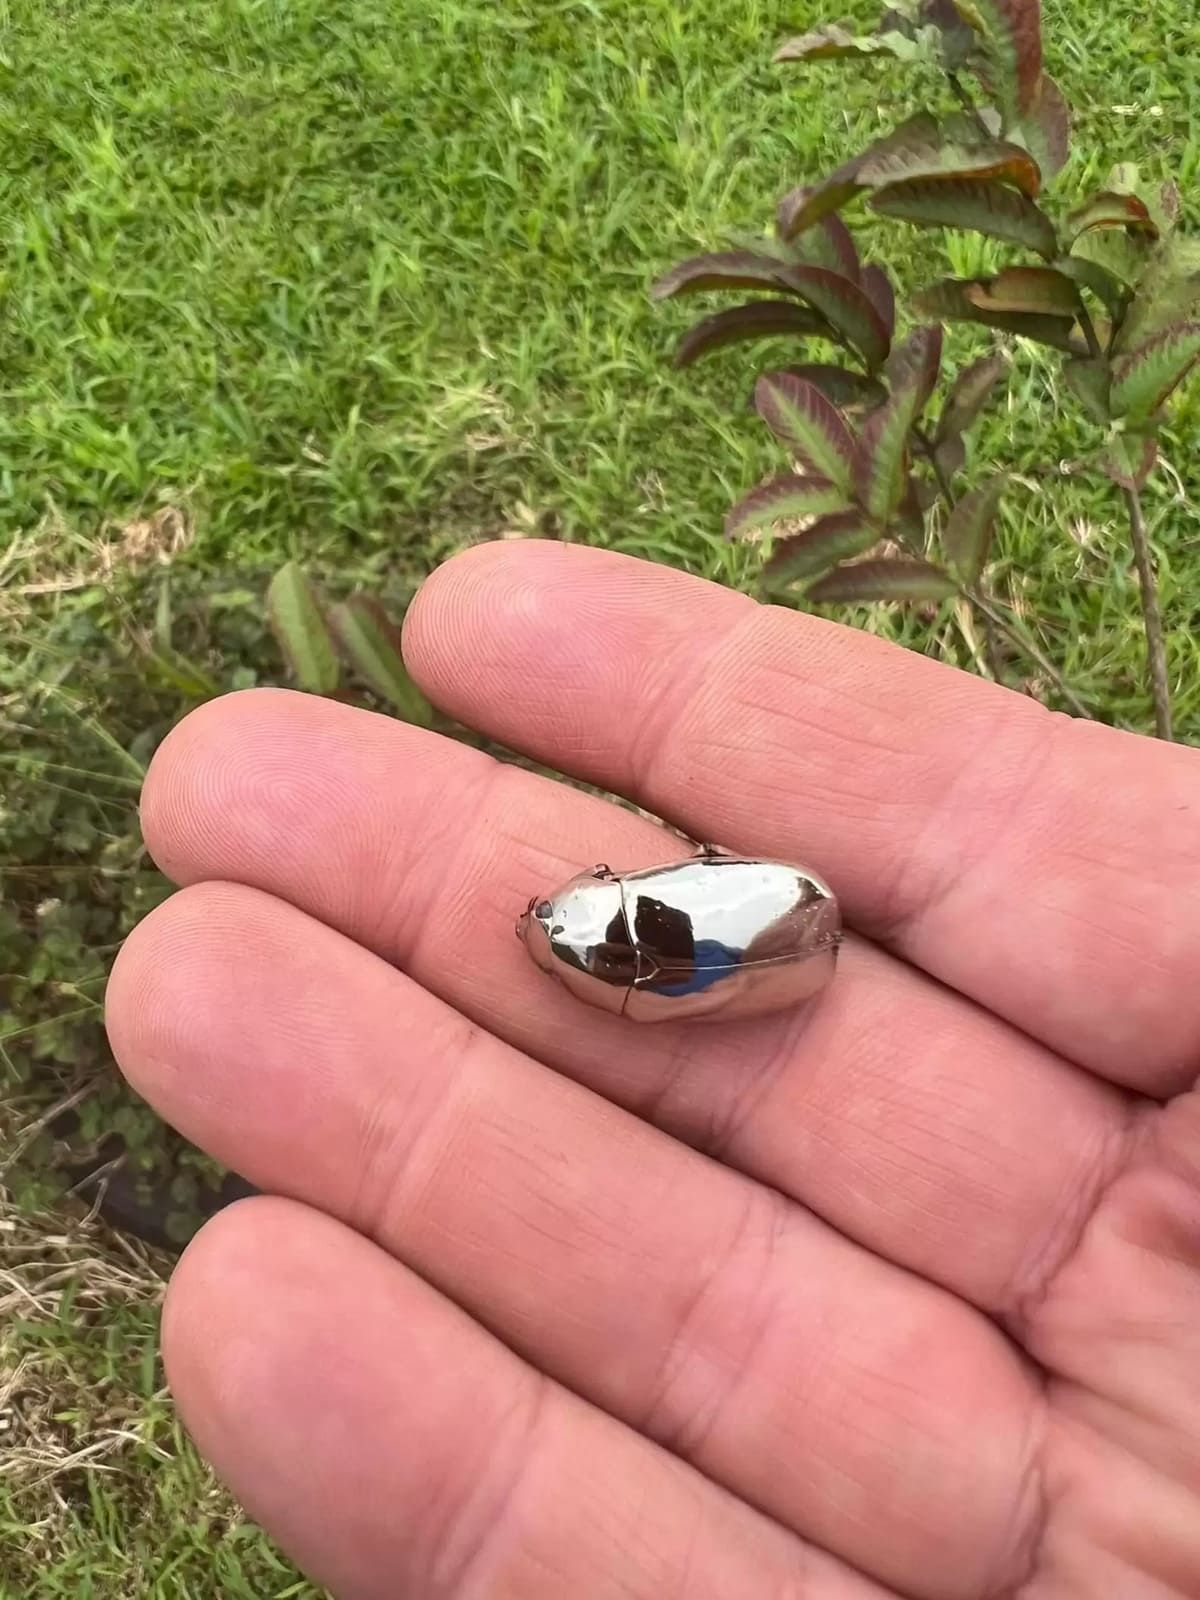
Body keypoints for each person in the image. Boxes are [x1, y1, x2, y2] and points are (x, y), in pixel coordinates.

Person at [106, 540, 1200, 1600]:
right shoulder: (626, 944)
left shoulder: (635, 951)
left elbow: (688, 935)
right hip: (749, 933)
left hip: (757, 931)